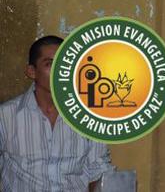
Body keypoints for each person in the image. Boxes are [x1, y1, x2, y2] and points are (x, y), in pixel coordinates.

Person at [0, 35, 114, 191]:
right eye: (50, 64)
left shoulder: (90, 116)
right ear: (32, 71)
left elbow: (99, 172)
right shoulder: (6, 116)